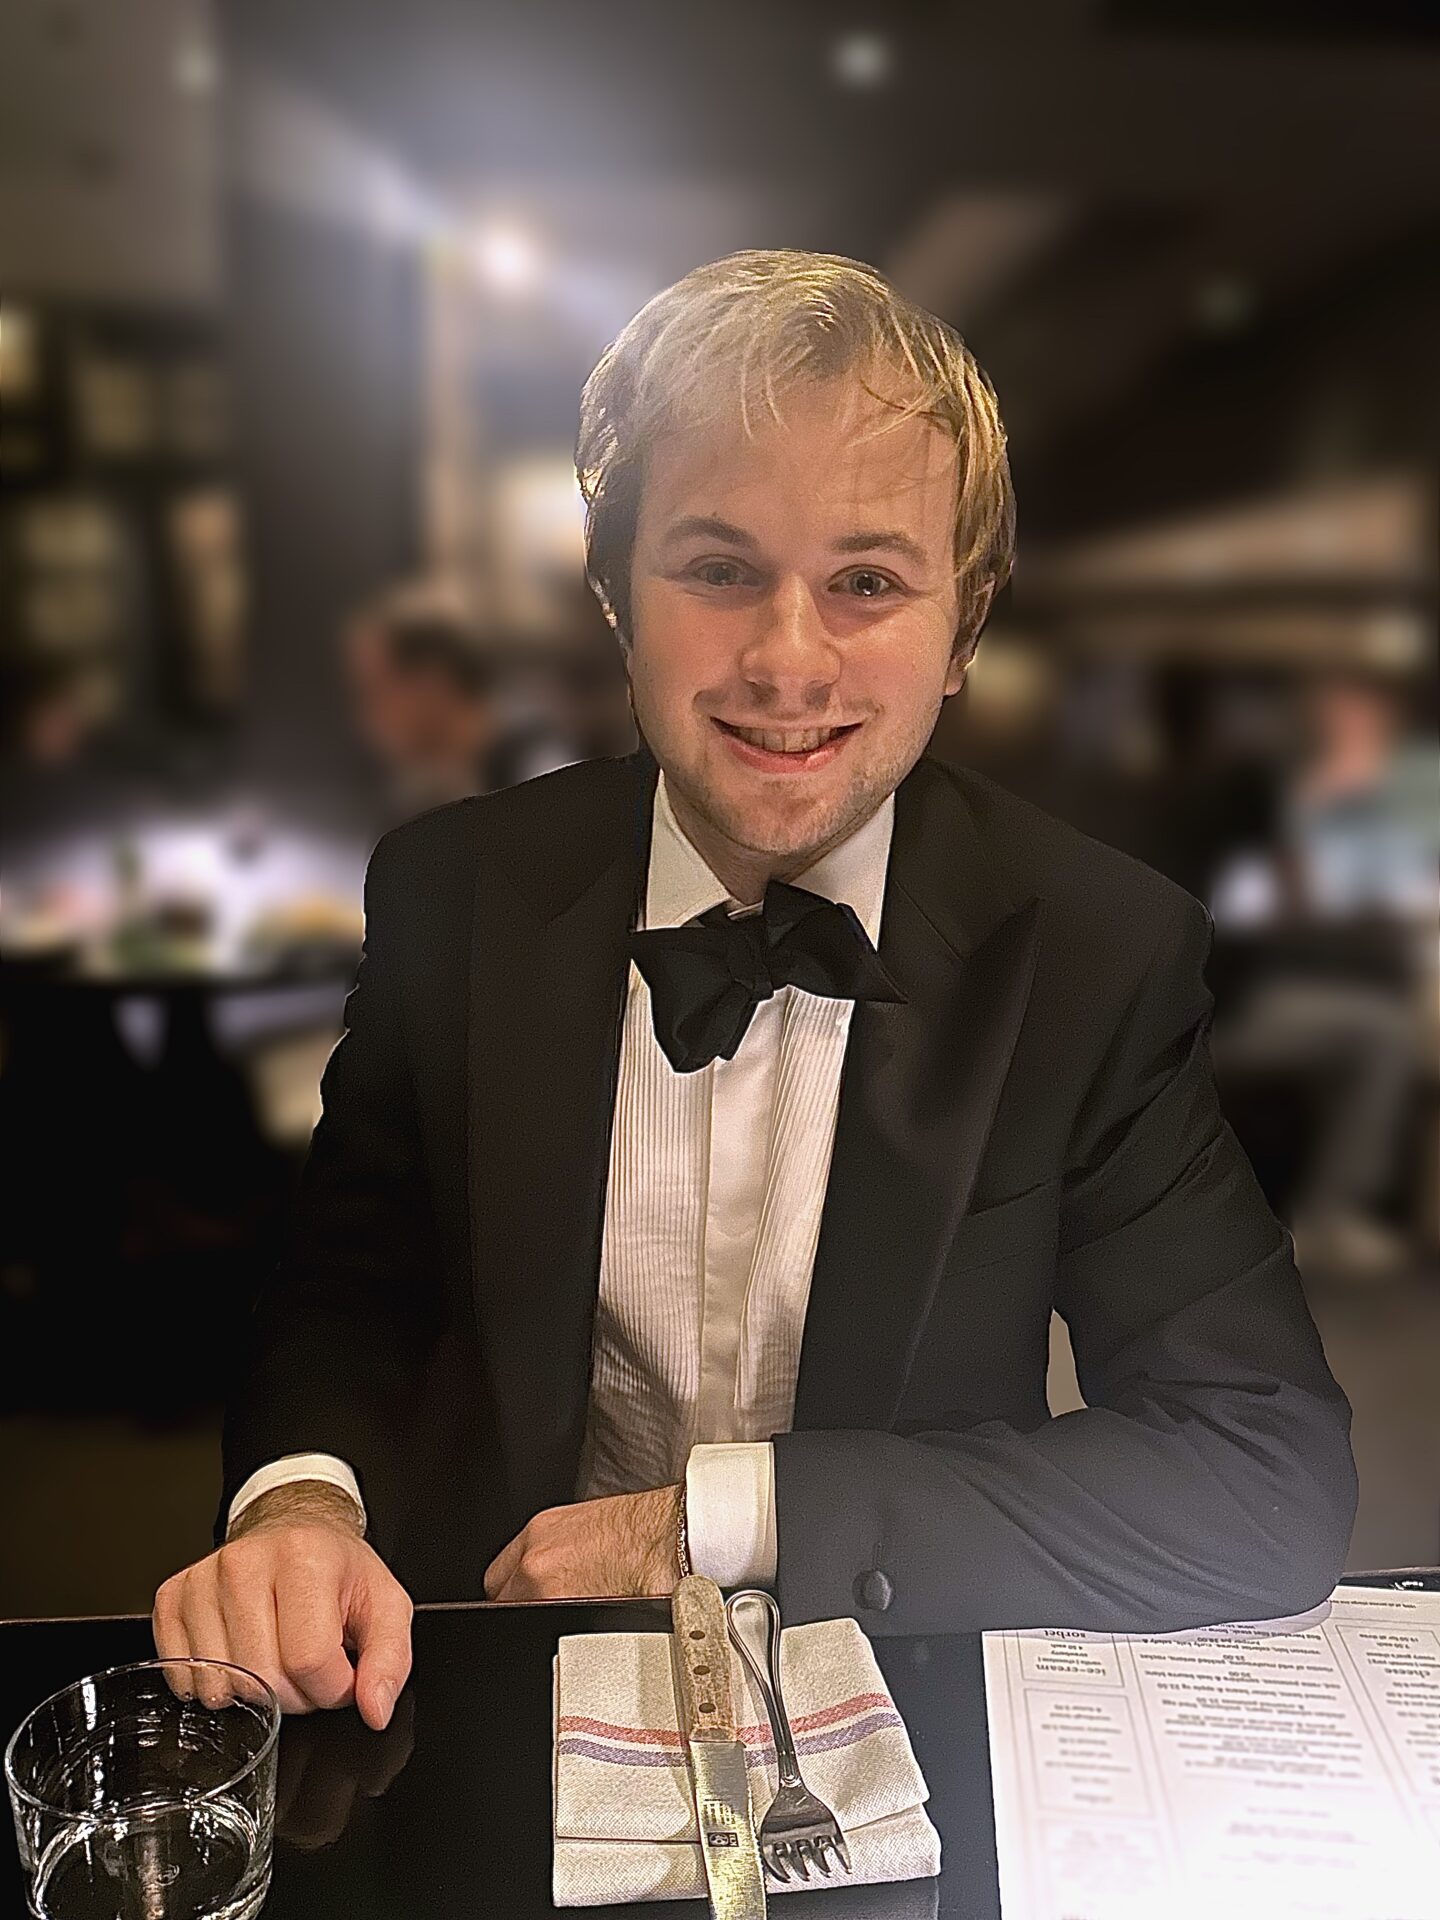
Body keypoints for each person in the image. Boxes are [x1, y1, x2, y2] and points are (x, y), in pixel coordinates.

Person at [154, 251, 1357, 1732]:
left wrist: (716, 1522)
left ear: (964, 629)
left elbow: (1259, 1470)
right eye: (718, 568)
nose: (788, 660)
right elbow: (343, 1283)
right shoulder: (452, 889)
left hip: (889, 1674)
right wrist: (302, 1505)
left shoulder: (1098, 951)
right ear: (616, 597)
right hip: (490, 1664)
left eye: (867, 581)